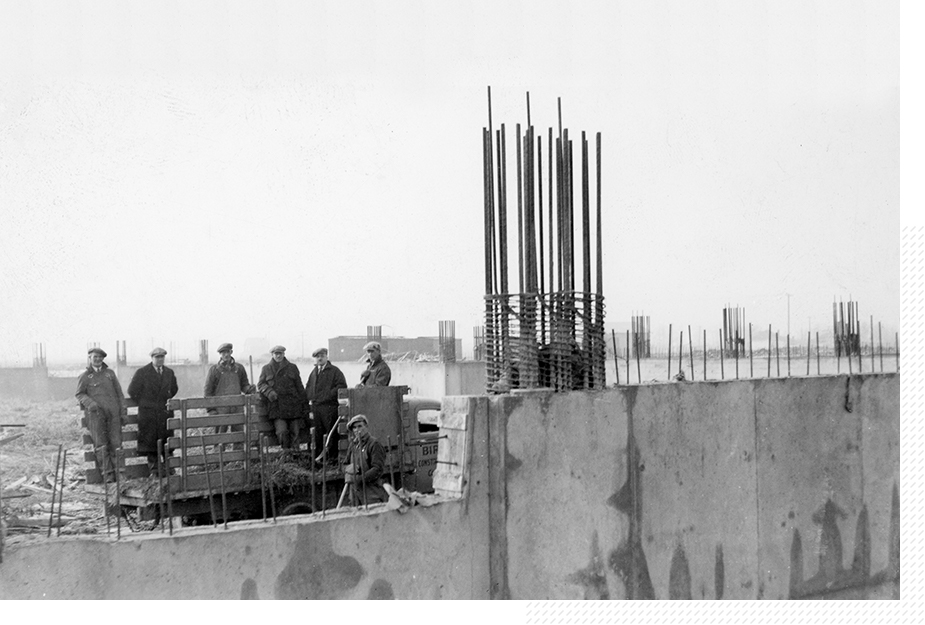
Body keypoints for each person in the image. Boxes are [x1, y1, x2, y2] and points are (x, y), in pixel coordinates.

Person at [76, 347, 126, 481]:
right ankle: (108, 475)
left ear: (103, 359)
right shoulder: (85, 376)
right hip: (96, 416)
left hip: (113, 414)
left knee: (116, 442)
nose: (97, 360)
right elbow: (79, 393)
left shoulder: (110, 374)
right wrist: (90, 404)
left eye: (100, 357)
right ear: (90, 359)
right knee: (101, 444)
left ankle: (120, 473)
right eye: (95, 357)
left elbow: (119, 394)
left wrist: (123, 412)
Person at [128, 347, 179, 475]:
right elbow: (132, 391)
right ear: (152, 358)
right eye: (157, 357)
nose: (160, 359)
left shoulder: (169, 372)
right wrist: (146, 403)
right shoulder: (142, 372)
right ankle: (155, 470)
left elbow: (173, 389)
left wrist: (163, 401)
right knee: (150, 443)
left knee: (166, 440)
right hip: (148, 414)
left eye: (162, 357)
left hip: (164, 412)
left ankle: (169, 468)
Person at [257, 345, 305, 452]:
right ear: (272, 355)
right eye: (276, 354)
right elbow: (260, 385)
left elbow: (299, 387)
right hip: (277, 407)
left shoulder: (292, 367)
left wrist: (304, 405)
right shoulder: (266, 368)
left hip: (293, 407)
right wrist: (269, 392)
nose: (278, 356)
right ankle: (286, 454)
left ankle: (296, 456)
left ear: (284, 354)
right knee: (281, 432)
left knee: (295, 432)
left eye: (280, 354)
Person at [305, 347, 347, 465]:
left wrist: (327, 395)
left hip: (329, 407)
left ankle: (332, 459)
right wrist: (310, 398)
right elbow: (308, 387)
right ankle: (320, 459)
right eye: (317, 356)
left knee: (331, 433)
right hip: (316, 407)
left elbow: (341, 385)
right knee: (318, 434)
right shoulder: (314, 372)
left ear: (326, 357)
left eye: (322, 356)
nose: (320, 358)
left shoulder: (334, 371)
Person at [203, 342, 255, 434]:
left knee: (238, 434)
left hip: (237, 407)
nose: (226, 355)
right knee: (220, 436)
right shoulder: (214, 370)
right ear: (220, 354)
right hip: (221, 409)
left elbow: (244, 385)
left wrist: (249, 389)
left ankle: (238, 448)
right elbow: (208, 391)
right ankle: (218, 448)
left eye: (228, 352)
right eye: (223, 353)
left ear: (231, 352)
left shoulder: (239, 368)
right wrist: (211, 409)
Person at [342, 414, 387, 505]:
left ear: (366, 427)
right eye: (354, 427)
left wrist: (359, 479)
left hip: (371, 493)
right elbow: (344, 464)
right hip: (355, 494)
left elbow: (377, 469)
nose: (357, 429)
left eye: (360, 426)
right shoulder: (353, 445)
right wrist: (347, 468)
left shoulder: (374, 444)